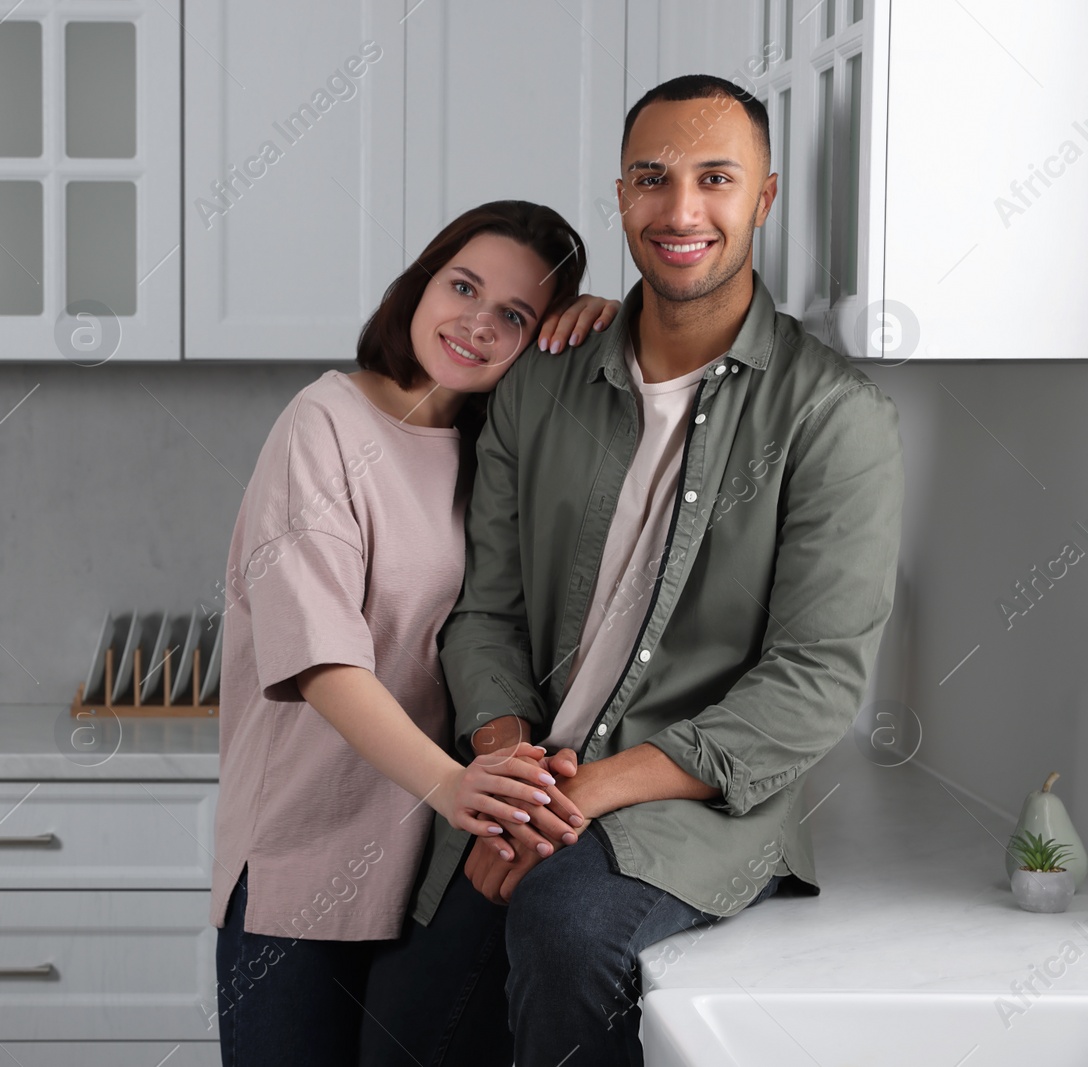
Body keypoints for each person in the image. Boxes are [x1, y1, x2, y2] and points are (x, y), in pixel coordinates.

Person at [406, 74, 905, 1066]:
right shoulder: (539, 380)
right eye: (652, 178)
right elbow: (484, 612)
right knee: (402, 1015)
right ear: (621, 196)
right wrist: (507, 770)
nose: (680, 210)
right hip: (524, 781)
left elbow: (812, 683)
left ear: (761, 200)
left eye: (714, 179)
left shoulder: (833, 415)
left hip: (688, 807)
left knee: (564, 924)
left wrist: (575, 797)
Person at [209, 200, 621, 1066]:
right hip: (304, 863)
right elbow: (322, 662)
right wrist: (451, 783)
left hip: (427, 865)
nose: (475, 323)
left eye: (514, 315)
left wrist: (615, 328)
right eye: (462, 286)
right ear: (420, 282)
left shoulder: (491, 447)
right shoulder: (323, 424)